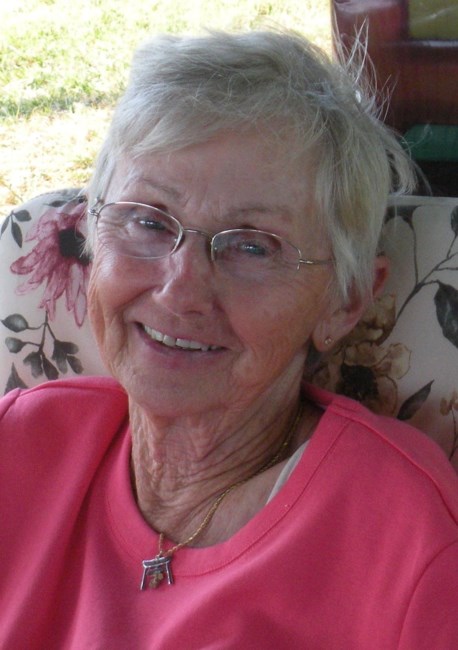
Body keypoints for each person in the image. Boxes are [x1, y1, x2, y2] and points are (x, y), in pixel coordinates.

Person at [1, 28, 458, 650]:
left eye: (252, 246)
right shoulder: (19, 443)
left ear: (345, 301)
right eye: (147, 220)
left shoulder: (405, 545)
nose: (180, 290)